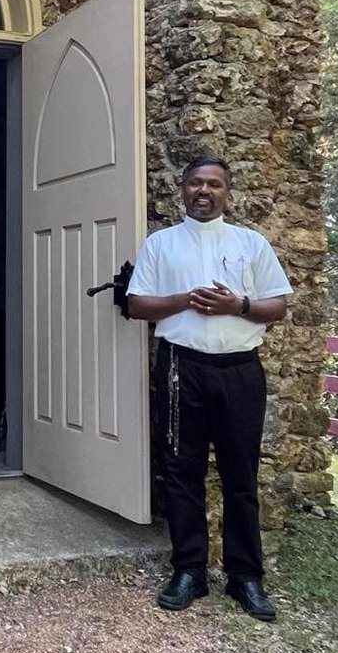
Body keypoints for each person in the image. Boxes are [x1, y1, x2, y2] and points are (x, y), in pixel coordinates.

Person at [125, 155, 294, 621]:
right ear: (182, 189)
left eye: (214, 184)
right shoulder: (161, 244)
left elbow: (276, 305)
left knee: (241, 474)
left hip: (240, 370)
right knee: (182, 470)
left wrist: (236, 304)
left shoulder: (250, 243)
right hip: (181, 368)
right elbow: (137, 304)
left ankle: (246, 576)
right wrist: (187, 299)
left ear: (227, 192)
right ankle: (189, 571)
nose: (204, 191)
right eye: (196, 183)